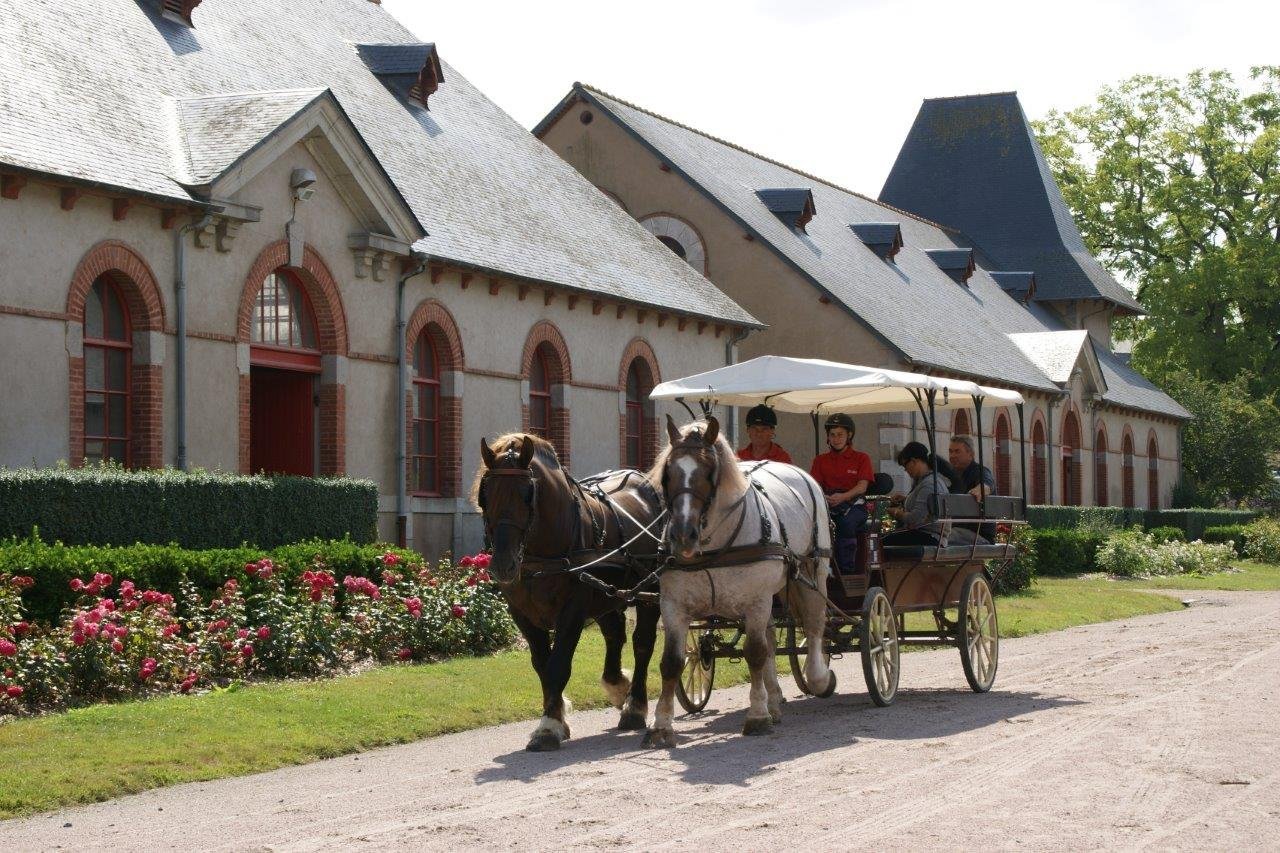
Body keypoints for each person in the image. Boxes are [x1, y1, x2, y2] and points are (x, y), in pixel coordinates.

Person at [884, 442, 984, 546]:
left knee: (881, 543)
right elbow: (926, 505)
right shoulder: (925, 481)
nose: (906, 470)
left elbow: (915, 519)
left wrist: (896, 513)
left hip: (929, 536)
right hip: (927, 534)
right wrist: (905, 499)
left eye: (905, 465)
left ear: (914, 461)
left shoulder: (929, 484)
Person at [809, 413, 874, 572]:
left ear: (849, 435)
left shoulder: (861, 458)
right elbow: (814, 485)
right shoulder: (820, 460)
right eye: (832, 435)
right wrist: (825, 497)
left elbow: (862, 487)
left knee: (845, 524)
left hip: (855, 505)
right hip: (828, 503)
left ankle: (846, 570)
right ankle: (817, 568)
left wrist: (843, 497)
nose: (836, 439)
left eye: (840, 435)